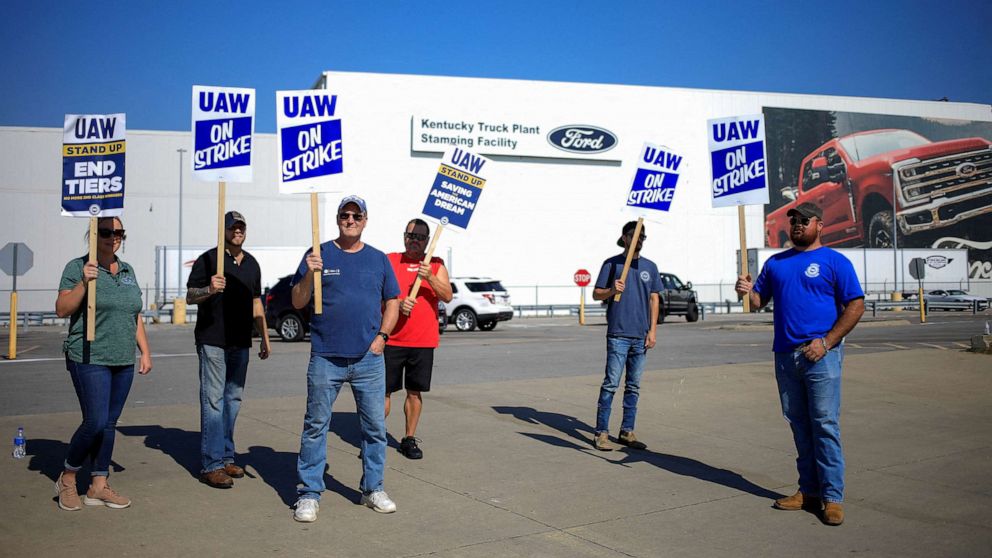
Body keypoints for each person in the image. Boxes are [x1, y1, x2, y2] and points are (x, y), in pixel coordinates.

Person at [735, 202, 865, 527]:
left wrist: (827, 342)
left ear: (819, 225)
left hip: (821, 354)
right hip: (785, 356)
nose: (797, 224)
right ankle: (808, 491)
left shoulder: (835, 261)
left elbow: (856, 305)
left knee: (824, 424)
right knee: (799, 425)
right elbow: (757, 301)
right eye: (793, 220)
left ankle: (832, 497)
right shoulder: (776, 264)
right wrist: (747, 290)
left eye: (804, 220)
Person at [290, 195, 400, 523]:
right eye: (344, 214)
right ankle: (309, 494)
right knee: (315, 426)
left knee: (374, 427)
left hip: (368, 359)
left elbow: (392, 301)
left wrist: (382, 337)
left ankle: (373, 488)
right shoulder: (318, 254)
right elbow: (297, 302)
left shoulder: (378, 259)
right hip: (326, 357)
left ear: (365, 220)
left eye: (356, 215)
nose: (350, 219)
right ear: (337, 218)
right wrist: (310, 274)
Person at [54, 216, 153, 511]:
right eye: (107, 232)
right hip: (89, 356)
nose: (114, 237)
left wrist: (145, 352)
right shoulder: (77, 267)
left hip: (122, 358)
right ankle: (68, 477)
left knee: (108, 424)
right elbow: (61, 309)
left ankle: (98, 484)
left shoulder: (127, 270)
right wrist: (85, 282)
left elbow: (133, 314)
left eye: (119, 232)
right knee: (95, 421)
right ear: (94, 234)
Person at [186, 210, 271, 488]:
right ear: (222, 230)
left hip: (240, 341)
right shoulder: (209, 259)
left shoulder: (252, 264)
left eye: (241, 227)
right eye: (233, 227)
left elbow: (256, 302)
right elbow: (190, 296)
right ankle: (211, 464)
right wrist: (209, 288)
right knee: (213, 400)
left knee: (233, 399)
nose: (238, 231)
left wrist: (264, 336)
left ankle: (225, 455)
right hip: (212, 340)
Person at [384, 218, 453, 459]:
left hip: (422, 341)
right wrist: (398, 304)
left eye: (421, 237)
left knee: (414, 392)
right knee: (383, 392)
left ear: (426, 241)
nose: (415, 241)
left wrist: (430, 278)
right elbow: (374, 295)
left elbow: (447, 296)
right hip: (391, 339)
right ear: (404, 236)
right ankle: (374, 438)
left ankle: (409, 438)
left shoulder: (435, 264)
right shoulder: (391, 260)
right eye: (411, 236)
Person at [591, 221, 661, 451]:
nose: (639, 239)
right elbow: (596, 293)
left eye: (643, 236)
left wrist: (652, 331)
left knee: (634, 386)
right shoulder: (612, 264)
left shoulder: (650, 267)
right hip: (618, 334)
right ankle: (601, 432)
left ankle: (627, 431)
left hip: (640, 336)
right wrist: (612, 290)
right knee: (611, 384)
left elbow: (654, 299)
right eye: (634, 235)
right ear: (624, 238)